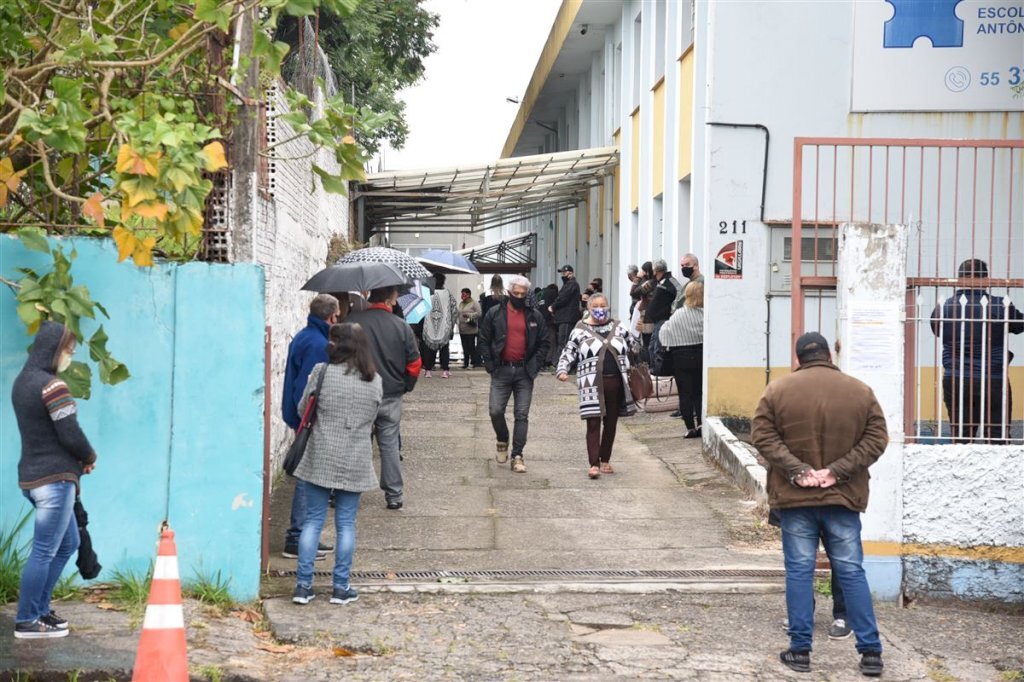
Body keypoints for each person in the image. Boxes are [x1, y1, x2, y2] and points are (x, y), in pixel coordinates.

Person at [752, 332, 887, 677]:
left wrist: (798, 471)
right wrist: (836, 472)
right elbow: (877, 438)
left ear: (798, 358)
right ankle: (870, 653)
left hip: (796, 499)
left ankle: (800, 651)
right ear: (829, 354)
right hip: (842, 497)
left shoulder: (777, 391)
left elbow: (762, 435)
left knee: (799, 571)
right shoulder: (860, 392)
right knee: (851, 570)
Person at [11, 321, 95, 638]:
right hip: (54, 482)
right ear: (56, 351)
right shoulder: (51, 386)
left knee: (68, 543)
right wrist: (89, 457)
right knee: (45, 550)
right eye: (69, 351)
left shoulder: (22, 382)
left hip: (33, 479)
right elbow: (70, 434)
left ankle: (40, 610)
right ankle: (27, 619)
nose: (69, 357)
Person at [291, 323, 382, 607]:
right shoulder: (374, 380)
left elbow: (301, 408)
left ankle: (303, 587)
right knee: (346, 525)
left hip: (321, 453)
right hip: (354, 457)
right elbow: (373, 416)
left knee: (313, 521)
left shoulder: (322, 372)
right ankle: (340, 588)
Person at [930, 258, 1023, 442]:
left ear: (959, 278)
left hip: (956, 378)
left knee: (961, 436)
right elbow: (1019, 325)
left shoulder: (943, 307)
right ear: (985, 279)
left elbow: (937, 330)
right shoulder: (1000, 305)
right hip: (993, 378)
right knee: (997, 436)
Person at [346, 286, 422, 510]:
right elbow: (415, 363)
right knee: (389, 445)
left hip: (360, 391)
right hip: (390, 393)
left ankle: (350, 489)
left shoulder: (353, 321)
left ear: (370, 296)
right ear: (392, 298)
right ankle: (394, 494)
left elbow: (342, 355)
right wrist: (406, 384)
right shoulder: (401, 326)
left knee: (359, 442)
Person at [281, 294, 339, 560]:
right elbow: (310, 388)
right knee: (307, 478)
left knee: (310, 477)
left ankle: (305, 536)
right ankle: (297, 537)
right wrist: (310, 419)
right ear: (331, 316)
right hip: (309, 419)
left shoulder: (305, 336)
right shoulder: (317, 344)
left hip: (301, 417)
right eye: (337, 316)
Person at [556, 294, 640, 478]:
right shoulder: (580, 329)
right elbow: (569, 351)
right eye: (596, 305)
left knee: (611, 423)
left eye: (603, 305)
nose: (600, 308)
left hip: (616, 382)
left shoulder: (619, 327)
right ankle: (593, 464)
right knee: (593, 423)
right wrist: (562, 369)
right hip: (591, 383)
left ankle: (605, 460)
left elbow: (635, 347)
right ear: (588, 307)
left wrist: (639, 334)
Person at [479, 275, 551, 473]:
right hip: (500, 370)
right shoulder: (494, 313)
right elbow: (483, 339)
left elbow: (544, 342)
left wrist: (535, 366)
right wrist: (490, 365)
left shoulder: (534, 316)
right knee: (495, 411)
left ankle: (517, 455)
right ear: (509, 292)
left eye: (523, 293)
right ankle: (502, 438)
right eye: (516, 293)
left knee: (522, 415)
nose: (519, 296)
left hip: (524, 372)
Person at [659, 281, 704, 437]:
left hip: (680, 356)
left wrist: (670, 343)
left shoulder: (677, 315)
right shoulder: (705, 314)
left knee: (685, 394)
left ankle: (689, 427)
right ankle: (701, 424)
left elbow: (664, 333)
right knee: (699, 392)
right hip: (700, 354)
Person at [644, 259, 682, 371]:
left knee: (658, 348)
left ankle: (657, 372)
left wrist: (674, 309)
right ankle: (653, 370)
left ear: (655, 270)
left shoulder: (670, 280)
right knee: (652, 347)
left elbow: (680, 292)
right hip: (657, 321)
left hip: (664, 320)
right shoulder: (658, 281)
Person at [422, 273, 458, 379]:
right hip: (444, 326)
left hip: (430, 326)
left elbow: (422, 308)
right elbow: (454, 310)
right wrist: (451, 324)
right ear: (443, 282)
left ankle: (428, 370)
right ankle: (445, 370)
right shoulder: (447, 294)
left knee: (429, 349)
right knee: (444, 349)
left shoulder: (428, 294)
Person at [549, 264, 582, 356]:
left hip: (567, 317)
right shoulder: (568, 284)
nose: (563, 275)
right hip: (565, 317)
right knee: (563, 341)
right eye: (562, 273)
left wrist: (553, 306)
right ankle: (560, 363)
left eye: (564, 273)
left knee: (563, 341)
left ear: (570, 273)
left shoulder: (572, 284)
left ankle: (561, 363)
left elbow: (563, 298)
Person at [631, 261, 657, 352]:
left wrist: (637, 278)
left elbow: (633, 293)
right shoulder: (652, 282)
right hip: (648, 314)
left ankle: (647, 363)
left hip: (646, 316)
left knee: (647, 342)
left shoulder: (650, 283)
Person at [458, 287, 482, 369]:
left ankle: (473, 363)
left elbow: (479, 313)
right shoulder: (461, 304)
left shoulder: (474, 303)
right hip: (462, 329)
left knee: (471, 347)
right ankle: (465, 363)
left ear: (468, 294)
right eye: (461, 294)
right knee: (464, 347)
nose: (462, 296)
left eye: (464, 294)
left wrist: (469, 315)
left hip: (471, 329)